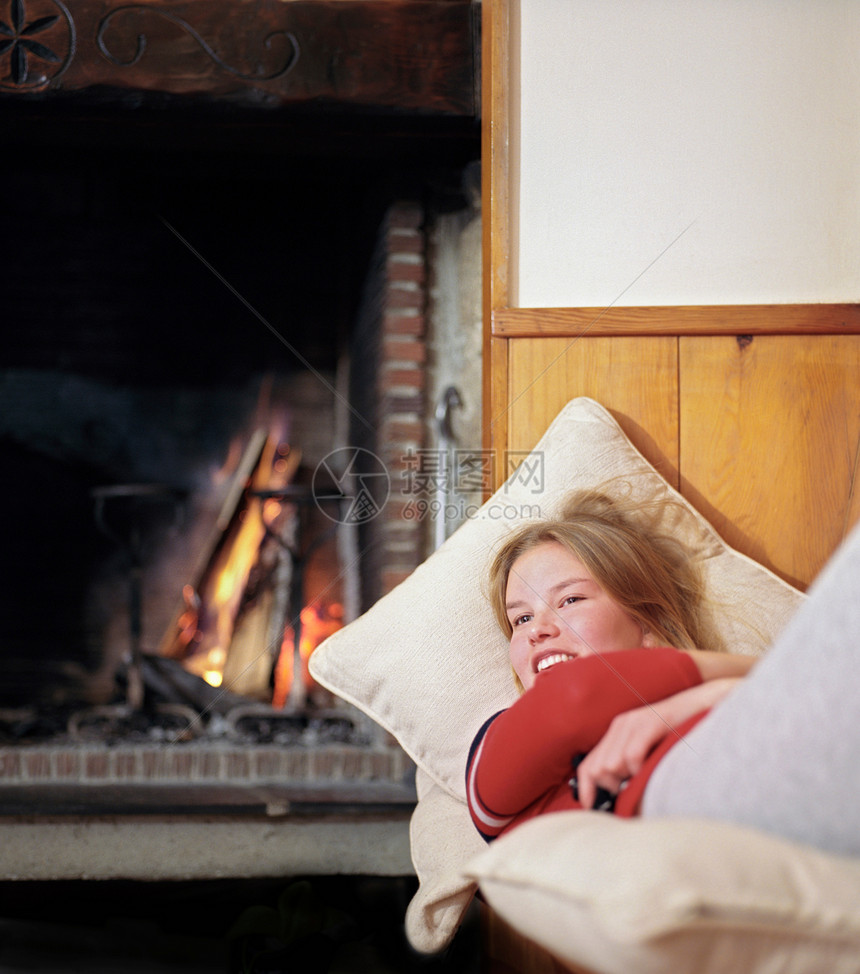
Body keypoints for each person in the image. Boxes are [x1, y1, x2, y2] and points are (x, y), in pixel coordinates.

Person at [466, 489, 757, 843]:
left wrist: (710, 696)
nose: (537, 630)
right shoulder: (493, 754)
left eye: (570, 599)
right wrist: (752, 674)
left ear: (646, 625)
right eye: (521, 618)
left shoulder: (720, 714)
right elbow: (572, 698)